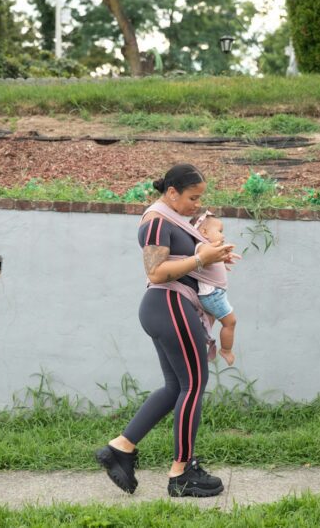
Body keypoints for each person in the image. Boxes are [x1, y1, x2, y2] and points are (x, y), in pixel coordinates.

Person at [95, 163, 235, 498]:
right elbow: (157, 272)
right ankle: (182, 471)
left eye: (201, 197)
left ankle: (121, 448)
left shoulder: (172, 220)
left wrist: (212, 257)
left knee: (176, 386)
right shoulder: (157, 221)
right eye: (192, 197)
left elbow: (183, 265)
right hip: (169, 304)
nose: (196, 204)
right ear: (171, 192)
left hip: (167, 307)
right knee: (195, 384)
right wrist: (201, 261)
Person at [192, 211, 237, 366]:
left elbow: (208, 262)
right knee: (230, 322)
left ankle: (201, 347)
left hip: (214, 293)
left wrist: (222, 260)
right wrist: (220, 253)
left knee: (212, 325)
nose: (223, 236)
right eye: (219, 231)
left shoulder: (207, 249)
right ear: (204, 232)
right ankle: (226, 350)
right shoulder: (202, 246)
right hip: (212, 294)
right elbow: (204, 256)